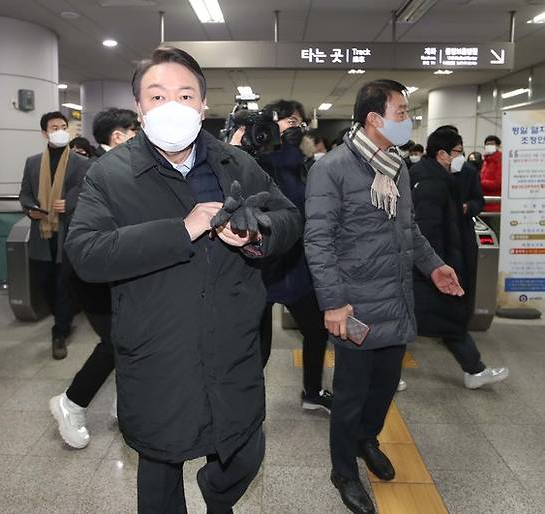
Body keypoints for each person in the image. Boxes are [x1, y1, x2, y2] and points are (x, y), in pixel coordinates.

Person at [65, 46, 302, 514]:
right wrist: (182, 229)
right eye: (157, 96)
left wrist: (257, 231)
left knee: (243, 449)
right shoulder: (109, 175)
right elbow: (86, 253)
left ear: (202, 105)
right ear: (139, 108)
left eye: (185, 94)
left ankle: (217, 494)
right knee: (160, 463)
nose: (172, 105)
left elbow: (289, 217)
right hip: (158, 350)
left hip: (234, 343)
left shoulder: (235, 163)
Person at [304, 79, 463, 514]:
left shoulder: (396, 166)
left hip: (396, 299)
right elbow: (317, 242)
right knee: (351, 394)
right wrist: (333, 304)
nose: (407, 120)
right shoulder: (332, 169)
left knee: (385, 386)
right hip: (354, 305)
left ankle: (365, 440)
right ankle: (343, 470)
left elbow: (408, 230)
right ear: (374, 118)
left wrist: (435, 267)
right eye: (401, 112)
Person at [49, 108, 137, 449]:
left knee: (129, 336)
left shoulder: (116, 167)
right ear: (118, 137)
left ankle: (124, 404)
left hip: (112, 270)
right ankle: (71, 404)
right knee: (116, 340)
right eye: (135, 133)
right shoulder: (100, 170)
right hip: (90, 271)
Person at [410, 129, 508, 389]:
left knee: (434, 320)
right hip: (432, 266)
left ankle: (474, 370)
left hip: (435, 263)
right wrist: (437, 266)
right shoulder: (432, 182)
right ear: (442, 154)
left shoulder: (436, 176)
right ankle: (474, 370)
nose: (461, 156)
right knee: (420, 319)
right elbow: (427, 228)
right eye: (457, 151)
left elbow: (474, 201)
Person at [256, 99, 333, 413]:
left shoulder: (306, 162)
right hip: (261, 263)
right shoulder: (259, 157)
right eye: (286, 120)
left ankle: (312, 392)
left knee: (316, 329)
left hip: (297, 263)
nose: (294, 125)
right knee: (257, 345)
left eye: (298, 120)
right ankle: (246, 403)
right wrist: (283, 145)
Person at [19, 111, 91, 359]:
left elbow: (86, 190)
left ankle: (59, 332)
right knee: (45, 282)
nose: (60, 130)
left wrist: (69, 202)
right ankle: (63, 318)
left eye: (63, 126)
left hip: (67, 232)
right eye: (54, 127)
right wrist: (30, 209)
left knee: (63, 284)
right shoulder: (32, 162)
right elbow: (25, 193)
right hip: (42, 232)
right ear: (44, 133)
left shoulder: (81, 162)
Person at [480, 135, 502, 213]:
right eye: (487, 144)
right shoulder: (486, 161)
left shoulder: (500, 161)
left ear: (498, 146)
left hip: (495, 205)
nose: (489, 146)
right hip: (485, 203)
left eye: (492, 144)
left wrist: (480, 182)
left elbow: (498, 183)